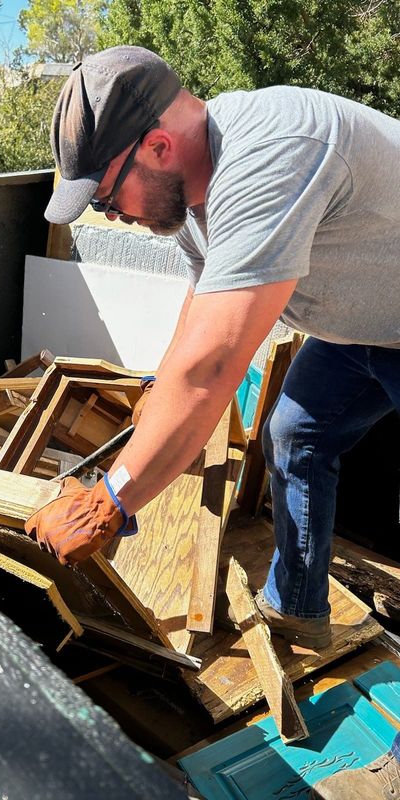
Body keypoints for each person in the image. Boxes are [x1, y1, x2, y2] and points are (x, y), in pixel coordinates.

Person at [25, 45, 400, 797]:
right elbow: (191, 341)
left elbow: (216, 368)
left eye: (105, 200)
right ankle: (299, 609)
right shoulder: (195, 193)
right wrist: (130, 445)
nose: (112, 214)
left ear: (157, 146)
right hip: (365, 328)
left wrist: (113, 500)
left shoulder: (269, 154)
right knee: (298, 433)